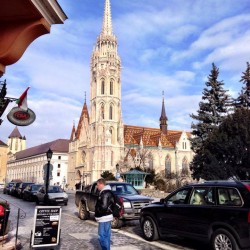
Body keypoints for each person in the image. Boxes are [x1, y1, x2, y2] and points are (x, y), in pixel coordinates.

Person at [95, 178, 114, 250]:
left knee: (101, 236)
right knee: (107, 236)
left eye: (97, 185)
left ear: (101, 184)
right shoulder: (108, 192)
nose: (97, 187)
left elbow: (104, 207)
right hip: (108, 217)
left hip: (104, 218)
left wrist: (97, 213)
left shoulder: (105, 193)